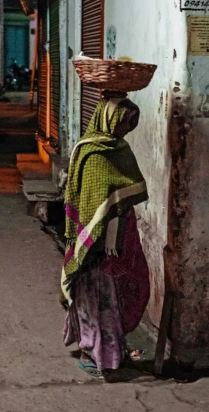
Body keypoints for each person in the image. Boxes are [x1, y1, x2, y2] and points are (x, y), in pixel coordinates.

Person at [61, 96, 150, 379]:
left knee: (117, 296)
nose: (126, 129)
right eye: (123, 122)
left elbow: (128, 191)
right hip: (95, 244)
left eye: (130, 123)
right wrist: (93, 239)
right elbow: (87, 201)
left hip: (119, 239)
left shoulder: (120, 149)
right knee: (94, 297)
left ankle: (111, 349)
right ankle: (93, 352)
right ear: (108, 120)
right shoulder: (90, 153)